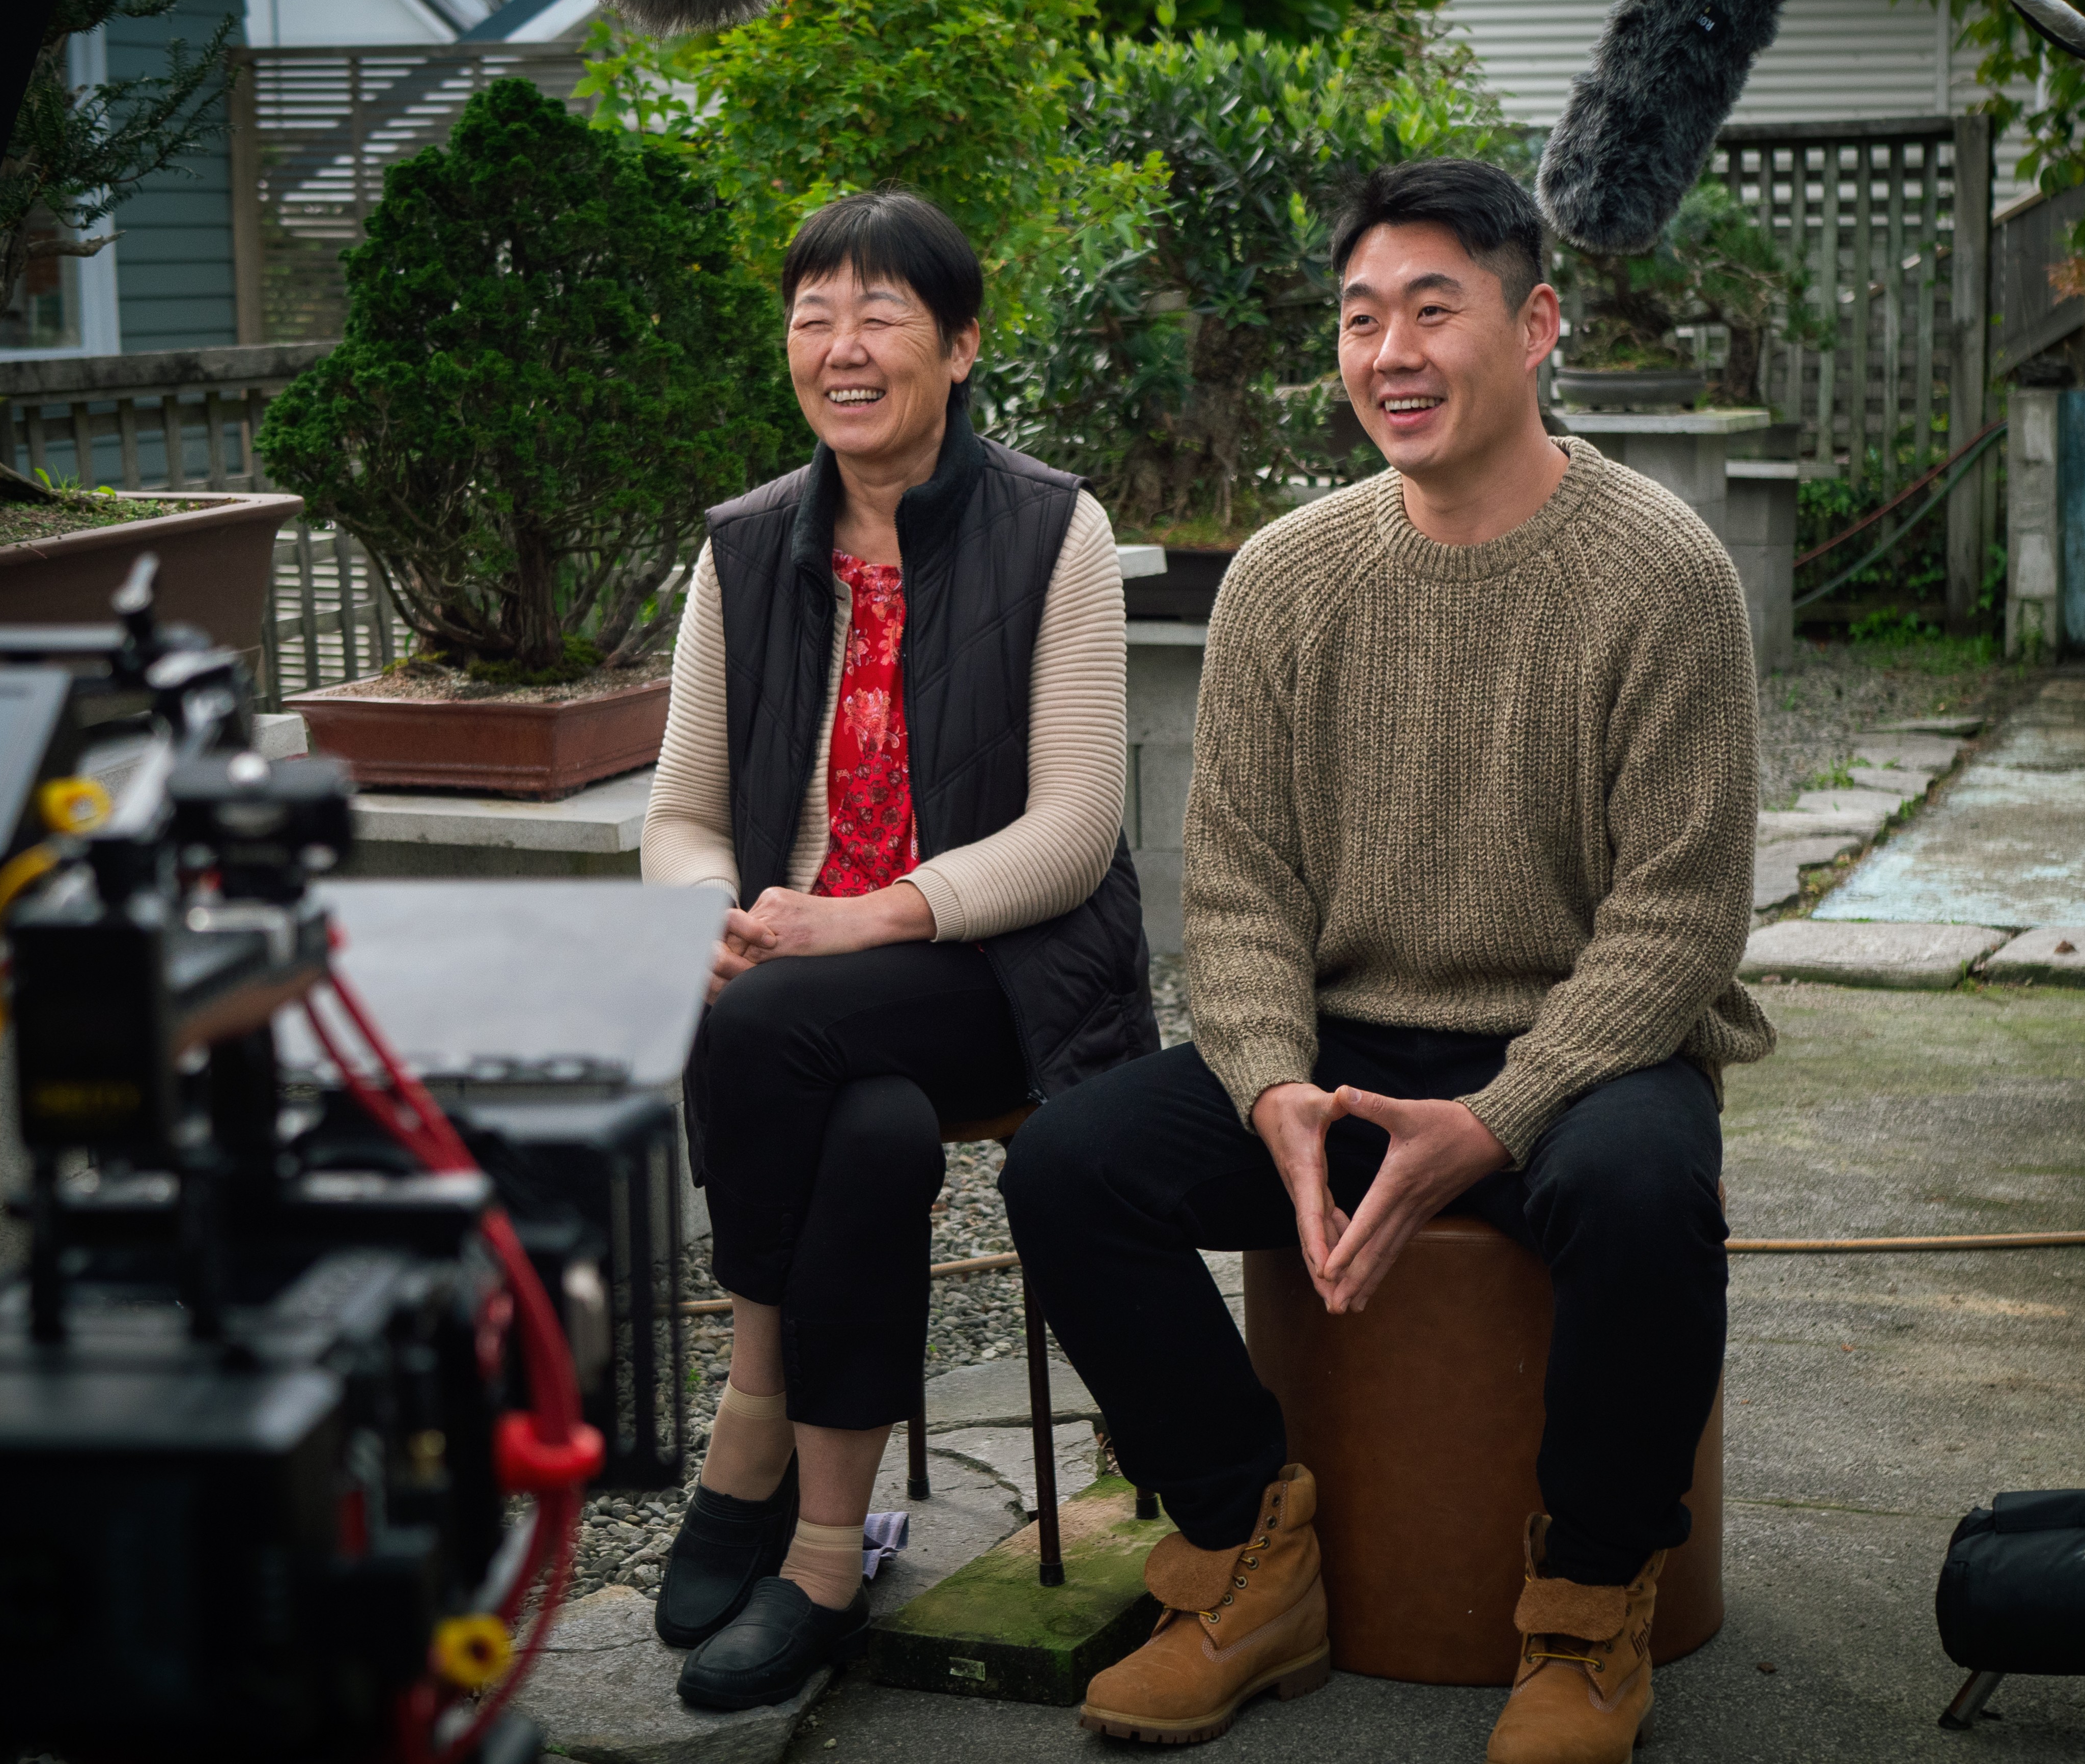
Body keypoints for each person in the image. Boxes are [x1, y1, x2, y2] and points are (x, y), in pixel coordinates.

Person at [1001, 156, 1775, 1762]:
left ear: (1538, 321)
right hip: (1348, 1043)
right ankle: (1245, 1551)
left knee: (1642, 1198)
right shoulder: (1290, 576)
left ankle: (1587, 1602)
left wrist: (1504, 1113)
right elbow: (1242, 889)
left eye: (1437, 309)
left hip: (1587, 1052)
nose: (1391, 354)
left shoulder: (1665, 572)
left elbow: (1682, 915)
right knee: (1074, 1165)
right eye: (1362, 319)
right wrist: (1272, 1085)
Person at [639, 188, 1158, 1711]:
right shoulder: (740, 550)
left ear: (961, 343)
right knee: (857, 1124)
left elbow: (1075, 827)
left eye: (879, 315)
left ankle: (749, 1411)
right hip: (805, 1001)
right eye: (813, 316)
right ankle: (818, 1551)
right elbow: (677, 813)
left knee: (770, 1030)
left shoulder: (1058, 529)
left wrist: (859, 916)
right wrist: (712, 919)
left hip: (995, 978)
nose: (840, 346)